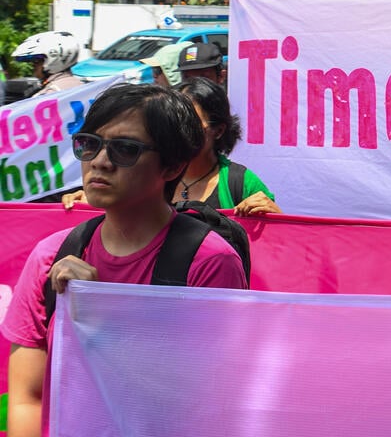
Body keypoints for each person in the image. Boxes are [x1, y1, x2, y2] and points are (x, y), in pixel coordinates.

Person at [2, 84, 247, 437]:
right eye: (90, 144)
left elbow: (205, 403)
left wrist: (104, 315)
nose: (100, 161)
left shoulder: (209, 263)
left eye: (125, 150)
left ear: (173, 166)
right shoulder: (51, 255)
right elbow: (28, 397)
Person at [63, 77, 279, 216]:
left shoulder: (240, 182)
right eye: (91, 143)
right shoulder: (147, 175)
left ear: (218, 130)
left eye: (192, 124)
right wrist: (94, 203)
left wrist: (275, 217)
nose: (101, 162)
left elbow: (280, 246)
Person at [11, 31, 85, 97]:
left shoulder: (50, 94)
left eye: (36, 61)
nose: (33, 66)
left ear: (53, 59)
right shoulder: (82, 87)